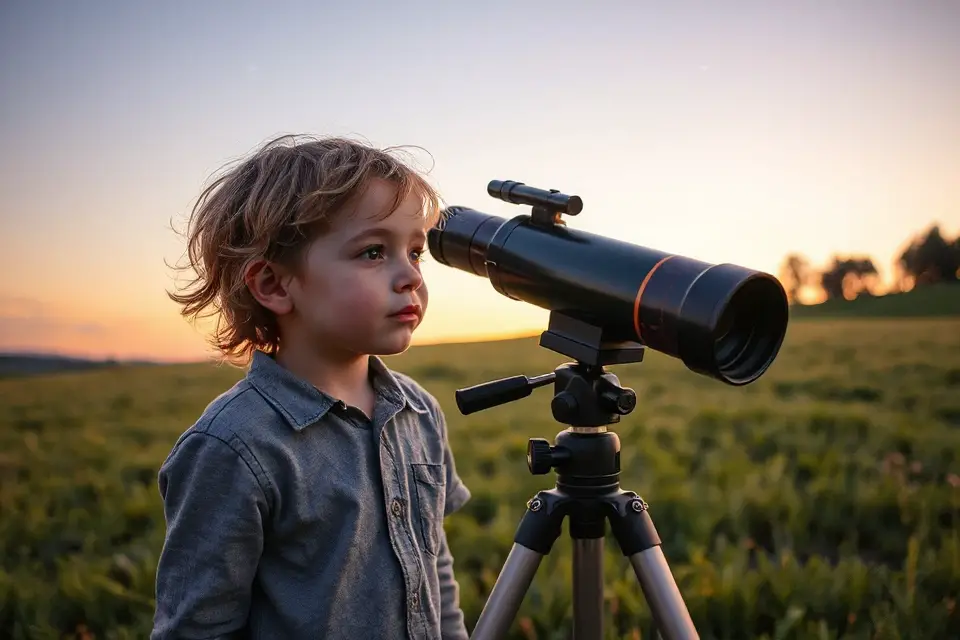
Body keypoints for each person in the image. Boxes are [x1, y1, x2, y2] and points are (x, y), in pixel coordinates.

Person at [152, 134, 471, 639]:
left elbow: (436, 572)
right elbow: (198, 628)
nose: (410, 275)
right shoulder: (232, 447)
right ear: (275, 285)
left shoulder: (420, 411)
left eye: (415, 252)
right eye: (373, 251)